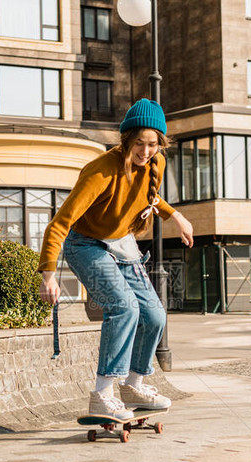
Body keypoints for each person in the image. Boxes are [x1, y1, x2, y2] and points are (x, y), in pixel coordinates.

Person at [38, 99, 194, 421]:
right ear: (127, 140)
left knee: (153, 315)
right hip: (85, 245)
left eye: (153, 144)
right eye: (140, 143)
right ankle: (103, 393)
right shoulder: (100, 172)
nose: (147, 151)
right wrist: (49, 275)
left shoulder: (157, 163)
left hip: (121, 243)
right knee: (124, 307)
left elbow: (149, 197)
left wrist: (175, 216)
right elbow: (59, 224)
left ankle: (134, 385)